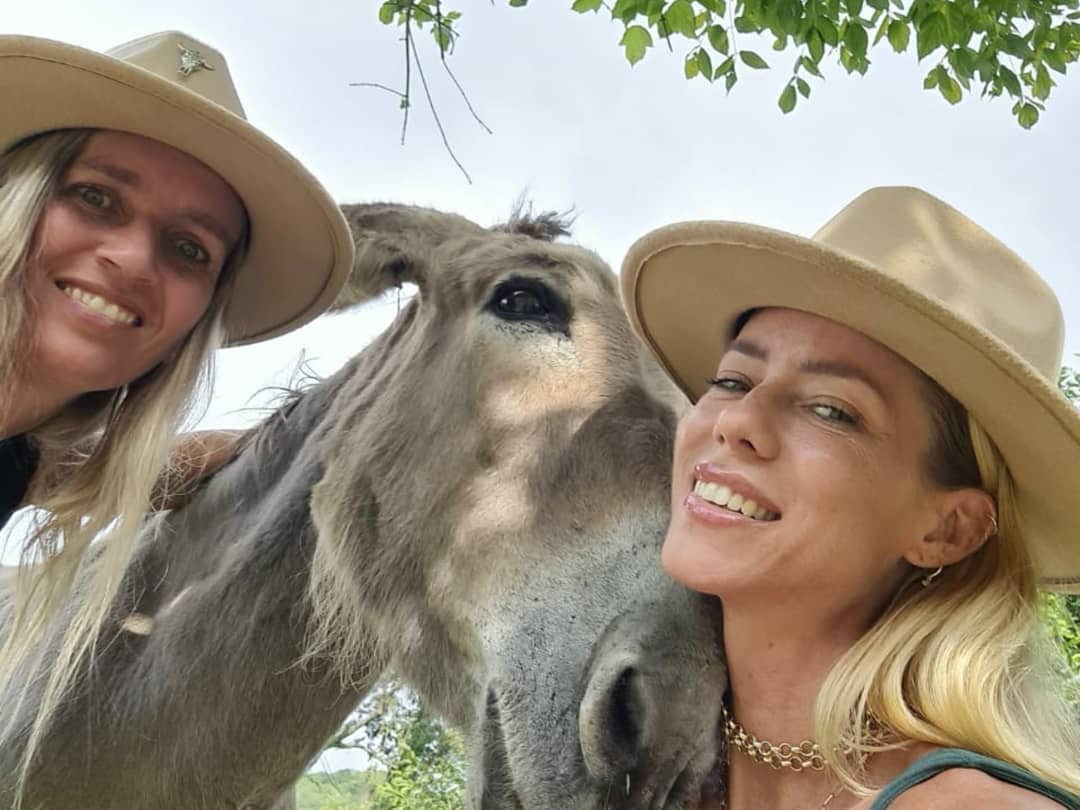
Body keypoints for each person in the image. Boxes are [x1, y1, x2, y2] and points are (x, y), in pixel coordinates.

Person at [620, 186, 1080, 808]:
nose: (738, 422)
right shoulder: (628, 766)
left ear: (948, 529)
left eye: (832, 410)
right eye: (732, 380)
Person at [0, 28, 354, 773]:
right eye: (95, 198)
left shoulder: (20, 459)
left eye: (189, 247)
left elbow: (119, 473)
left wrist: (315, 435)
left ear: (194, 319)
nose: (131, 260)